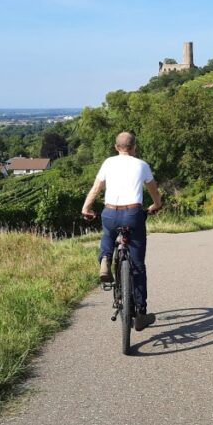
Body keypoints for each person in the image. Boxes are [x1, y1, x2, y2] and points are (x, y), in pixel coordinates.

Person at [81, 131, 162, 330]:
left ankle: (105, 259)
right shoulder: (142, 165)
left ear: (116, 147)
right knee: (138, 265)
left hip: (110, 212)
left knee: (108, 234)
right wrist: (156, 205)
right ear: (134, 147)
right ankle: (141, 312)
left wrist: (86, 208)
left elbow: (96, 188)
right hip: (133, 213)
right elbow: (153, 191)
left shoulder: (108, 163)